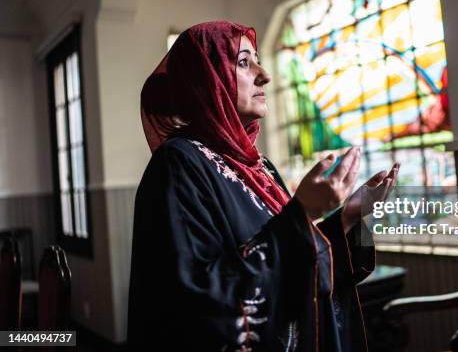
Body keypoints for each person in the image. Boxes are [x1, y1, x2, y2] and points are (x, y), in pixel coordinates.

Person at [127, 21, 399, 351]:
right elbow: (195, 299)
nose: (264, 74)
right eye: (243, 62)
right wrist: (304, 212)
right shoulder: (178, 164)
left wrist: (347, 217)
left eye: (257, 59)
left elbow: (298, 251)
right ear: (206, 80)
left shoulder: (260, 166)